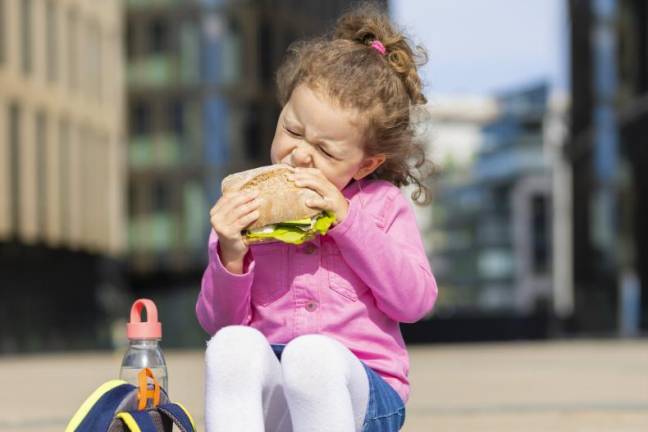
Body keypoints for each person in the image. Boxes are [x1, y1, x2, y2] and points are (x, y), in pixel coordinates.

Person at [196, 3, 437, 431]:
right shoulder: (249, 208)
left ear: (364, 164)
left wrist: (347, 222)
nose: (300, 153)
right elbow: (219, 323)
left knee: (312, 356)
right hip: (276, 393)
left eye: (326, 151)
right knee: (230, 346)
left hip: (364, 392)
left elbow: (414, 302)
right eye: (291, 130)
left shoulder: (380, 205)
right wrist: (231, 254)